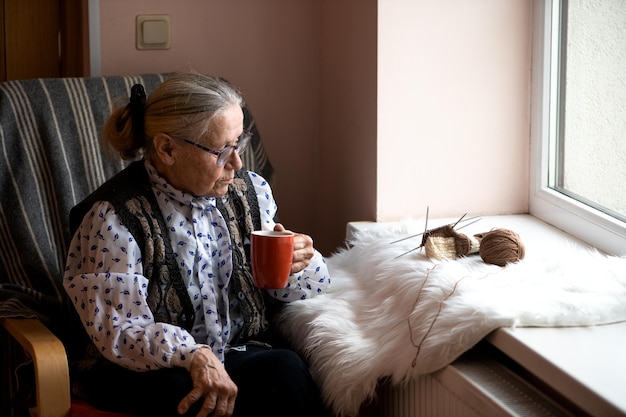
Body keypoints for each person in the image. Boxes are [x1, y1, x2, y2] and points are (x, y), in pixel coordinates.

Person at [63, 72, 332, 417]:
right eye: (222, 151)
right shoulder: (113, 218)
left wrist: (298, 263)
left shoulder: (251, 193)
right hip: (146, 367)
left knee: (285, 369)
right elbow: (121, 332)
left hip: (235, 352)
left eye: (239, 144)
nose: (237, 164)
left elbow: (287, 291)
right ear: (167, 148)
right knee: (186, 394)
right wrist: (193, 354)